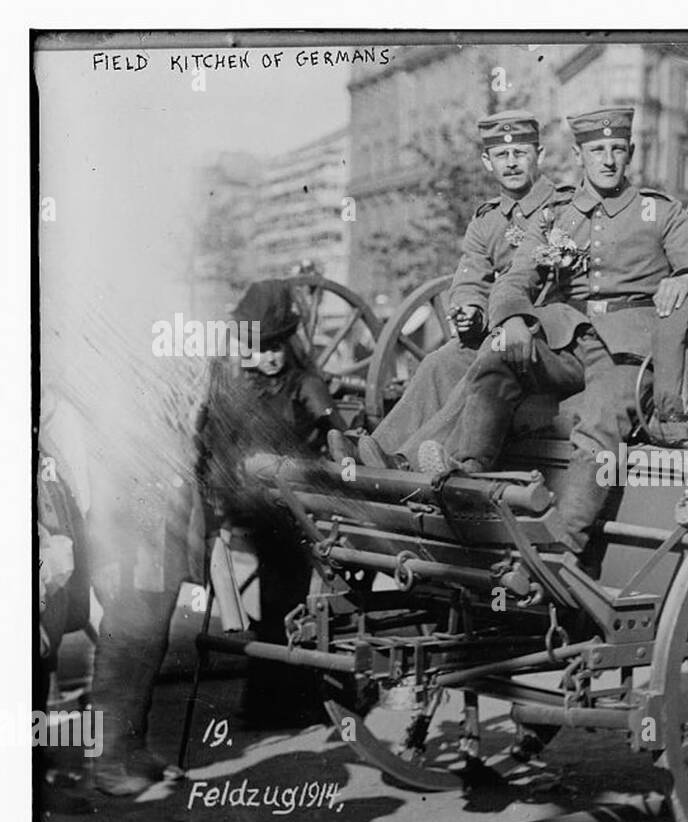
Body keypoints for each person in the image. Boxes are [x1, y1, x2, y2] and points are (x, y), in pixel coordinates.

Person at [418, 106, 688, 556]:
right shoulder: (558, 216)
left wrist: (687, 278)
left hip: (631, 347)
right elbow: (515, 278)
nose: (607, 160)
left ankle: (563, 541)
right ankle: (469, 484)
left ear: (630, 154)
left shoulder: (658, 211)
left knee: (602, 419)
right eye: (597, 150)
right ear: (580, 156)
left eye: (617, 149)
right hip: (569, 338)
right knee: (496, 363)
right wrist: (513, 320)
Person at [334, 110, 572, 469]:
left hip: (548, 340)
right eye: (501, 156)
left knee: (485, 364)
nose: (511, 163)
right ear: (486, 162)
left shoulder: (566, 209)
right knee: (439, 361)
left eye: (520, 153)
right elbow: (470, 277)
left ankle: (408, 461)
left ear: (539, 155)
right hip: (500, 334)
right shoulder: (486, 220)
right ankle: (376, 453)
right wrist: (469, 309)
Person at [198, 280, 349, 727]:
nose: (267, 357)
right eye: (259, 348)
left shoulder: (304, 385)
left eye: (275, 348)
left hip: (295, 502)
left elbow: (336, 433)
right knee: (285, 598)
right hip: (261, 504)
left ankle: (272, 699)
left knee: (285, 597)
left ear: (289, 346)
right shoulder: (237, 387)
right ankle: (280, 699)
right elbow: (213, 439)